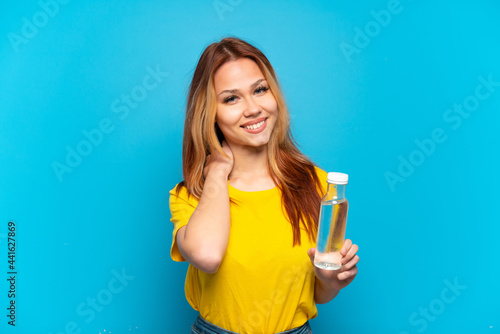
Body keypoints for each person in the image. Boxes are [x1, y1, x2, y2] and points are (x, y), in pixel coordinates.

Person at [169, 37, 359, 334]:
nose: (253, 108)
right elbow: (206, 257)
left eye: (260, 90)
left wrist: (331, 279)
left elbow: (318, 295)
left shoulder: (320, 186)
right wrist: (218, 171)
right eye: (231, 98)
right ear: (210, 114)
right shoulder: (191, 195)